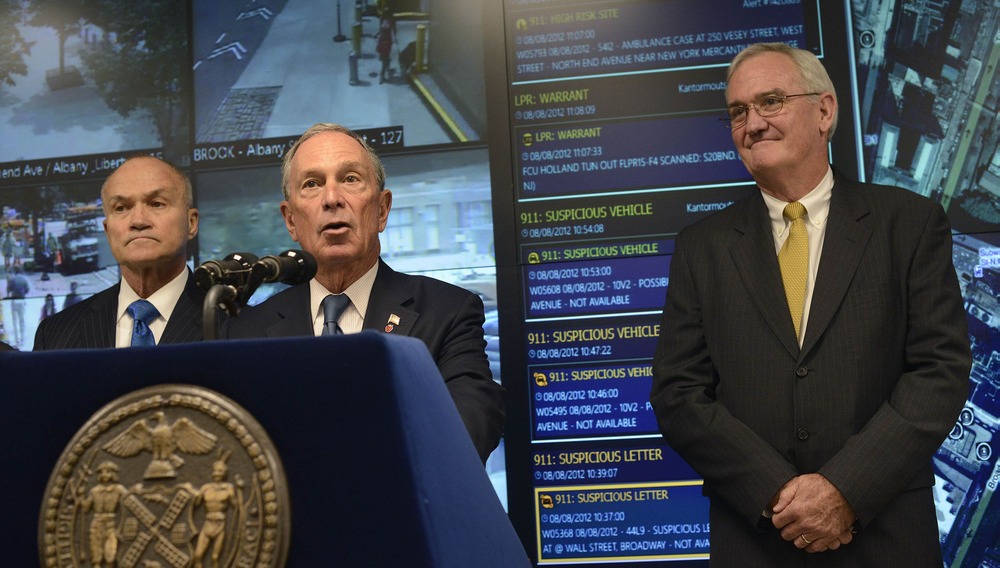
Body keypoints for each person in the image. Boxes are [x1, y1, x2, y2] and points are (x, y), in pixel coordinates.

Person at [649, 42, 971, 566]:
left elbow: (940, 370)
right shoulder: (701, 247)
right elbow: (678, 393)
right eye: (737, 112)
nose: (752, 123)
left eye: (770, 101)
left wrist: (845, 490)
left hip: (885, 536)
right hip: (756, 539)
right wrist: (781, 498)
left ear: (824, 111)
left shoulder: (908, 224)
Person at [224, 123, 505, 463]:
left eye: (350, 179)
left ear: (382, 209)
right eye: (312, 184)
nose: (332, 199)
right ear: (291, 220)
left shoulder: (448, 312)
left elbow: (471, 428)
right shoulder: (247, 331)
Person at [33, 156, 206, 350]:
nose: (139, 221)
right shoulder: (55, 335)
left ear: (191, 223)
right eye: (121, 208)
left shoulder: (236, 326)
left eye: (156, 203)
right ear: (107, 231)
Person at [5, 263, 29, 348]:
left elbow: (8, 289)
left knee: (15, 321)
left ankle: (17, 340)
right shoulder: (23, 279)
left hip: (14, 300)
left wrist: (8, 296)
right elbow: (27, 290)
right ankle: (22, 339)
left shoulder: (12, 279)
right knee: (21, 320)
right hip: (21, 300)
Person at [375, 13, 396, 84]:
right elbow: (393, 32)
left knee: (385, 58)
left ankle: (387, 71)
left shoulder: (382, 22)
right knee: (385, 60)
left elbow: (380, 31)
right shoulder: (390, 23)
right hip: (386, 43)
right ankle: (382, 75)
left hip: (382, 43)